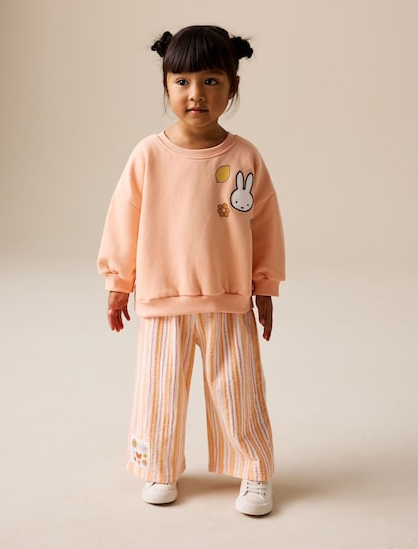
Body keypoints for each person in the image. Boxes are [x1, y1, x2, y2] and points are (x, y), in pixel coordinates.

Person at [97, 25, 285, 516]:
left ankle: (255, 470)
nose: (195, 93)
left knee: (239, 391)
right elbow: (123, 218)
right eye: (182, 81)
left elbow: (264, 224)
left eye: (210, 81)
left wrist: (265, 287)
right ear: (166, 85)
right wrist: (119, 283)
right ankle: (159, 467)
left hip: (229, 298)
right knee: (158, 392)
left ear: (233, 86)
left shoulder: (244, 156)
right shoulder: (148, 154)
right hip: (162, 296)